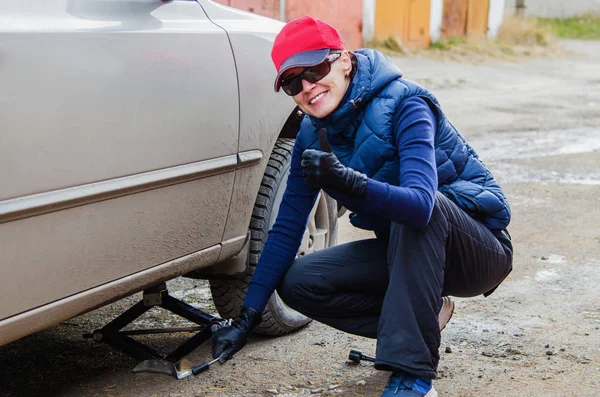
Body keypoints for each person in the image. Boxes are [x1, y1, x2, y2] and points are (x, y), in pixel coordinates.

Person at [211, 16, 513, 397]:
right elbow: (287, 227)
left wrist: (348, 182)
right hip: (409, 256)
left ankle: (413, 376)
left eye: (316, 69)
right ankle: (425, 316)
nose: (307, 87)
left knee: (419, 208)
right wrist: (248, 315)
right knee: (299, 282)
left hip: (477, 251)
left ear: (345, 61)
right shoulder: (311, 133)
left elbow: (422, 207)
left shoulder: (407, 104)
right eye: (292, 82)